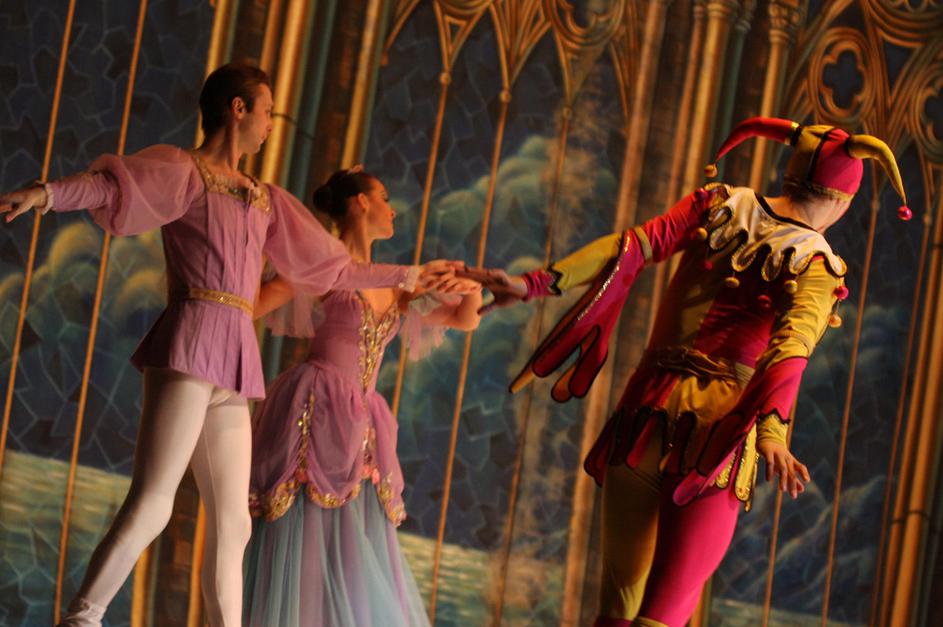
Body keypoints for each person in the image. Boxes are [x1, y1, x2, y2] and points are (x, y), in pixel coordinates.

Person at [0, 63, 454, 627]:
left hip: (235, 362)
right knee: (154, 500)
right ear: (238, 109)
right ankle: (82, 619)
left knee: (235, 523)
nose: (270, 125)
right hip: (192, 342)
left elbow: (334, 268)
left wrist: (409, 275)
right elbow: (110, 187)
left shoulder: (265, 199)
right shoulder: (184, 172)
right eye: (266, 112)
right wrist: (46, 194)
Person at [459, 117, 909, 627]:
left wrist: (533, 284)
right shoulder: (817, 265)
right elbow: (790, 350)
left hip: (643, 419)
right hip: (714, 441)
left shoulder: (717, 204)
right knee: (663, 616)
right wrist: (772, 431)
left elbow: (630, 247)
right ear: (843, 202)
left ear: (790, 173)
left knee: (616, 612)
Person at [243, 166, 481, 627]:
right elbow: (254, 303)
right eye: (384, 197)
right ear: (361, 202)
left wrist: (470, 289)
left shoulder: (394, 286)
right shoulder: (323, 270)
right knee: (306, 523)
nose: (392, 209)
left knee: (355, 534)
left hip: (362, 423)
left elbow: (463, 319)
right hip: (316, 409)